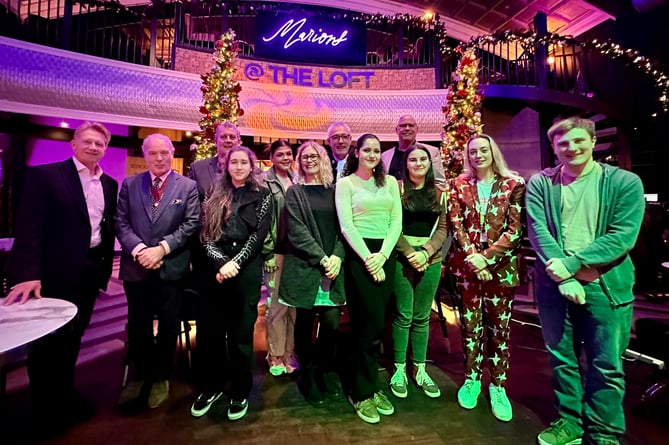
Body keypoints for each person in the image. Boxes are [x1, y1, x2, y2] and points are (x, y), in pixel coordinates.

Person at [527, 117, 644, 445]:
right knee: (562, 359)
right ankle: (570, 422)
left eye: (578, 141)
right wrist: (563, 276)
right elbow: (538, 231)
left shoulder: (624, 182)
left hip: (605, 285)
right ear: (554, 147)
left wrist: (574, 265)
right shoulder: (541, 183)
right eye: (563, 144)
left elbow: (622, 236)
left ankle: (604, 433)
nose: (571, 148)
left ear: (593, 142)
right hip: (555, 285)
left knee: (606, 364)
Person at [4, 121, 118, 432]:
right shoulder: (46, 176)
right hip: (54, 274)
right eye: (89, 142)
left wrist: (104, 269)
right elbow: (28, 228)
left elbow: (103, 228)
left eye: (100, 144)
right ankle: (44, 407)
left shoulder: (109, 184)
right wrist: (28, 274)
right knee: (45, 344)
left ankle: (63, 392)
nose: (94, 148)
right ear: (74, 143)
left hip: (90, 271)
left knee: (73, 336)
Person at [115, 133, 200, 410]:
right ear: (145, 155)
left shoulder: (187, 186)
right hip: (137, 267)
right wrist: (140, 250)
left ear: (172, 152)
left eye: (164, 152)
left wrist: (161, 249)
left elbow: (191, 224)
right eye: (153, 153)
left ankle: (162, 376)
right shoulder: (130, 184)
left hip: (170, 267)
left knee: (168, 324)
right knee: (138, 324)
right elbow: (121, 222)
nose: (159, 158)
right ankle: (139, 376)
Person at [190, 145, 272, 421]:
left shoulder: (263, 195)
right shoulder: (214, 194)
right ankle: (210, 387)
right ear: (226, 166)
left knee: (240, 339)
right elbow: (205, 235)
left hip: (245, 272)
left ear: (251, 166)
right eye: (233, 162)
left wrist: (234, 263)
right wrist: (220, 263)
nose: (238, 167)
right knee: (210, 337)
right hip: (214, 273)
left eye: (243, 162)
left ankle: (239, 392)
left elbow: (258, 236)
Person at [448, 134, 525, 422]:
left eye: (483, 150)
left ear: (493, 151)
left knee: (499, 331)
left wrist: (487, 258)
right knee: (470, 327)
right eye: (472, 151)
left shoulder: (513, 185)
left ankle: (498, 386)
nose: (478, 155)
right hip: (468, 269)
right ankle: (472, 380)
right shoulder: (458, 185)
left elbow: (515, 231)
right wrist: (474, 258)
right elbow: (457, 226)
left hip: (500, 271)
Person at [335, 133, 402, 424]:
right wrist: (369, 260)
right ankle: (360, 392)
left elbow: (396, 222)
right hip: (359, 255)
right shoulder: (345, 184)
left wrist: (383, 256)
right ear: (357, 153)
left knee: (378, 326)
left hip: (385, 255)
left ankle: (371, 387)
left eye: (377, 151)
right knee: (365, 325)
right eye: (367, 150)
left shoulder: (388, 183)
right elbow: (347, 225)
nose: (373, 155)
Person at [279, 141, 346, 407]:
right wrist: (322, 258)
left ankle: (324, 369)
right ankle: (308, 374)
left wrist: (337, 257)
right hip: (305, 268)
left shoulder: (336, 190)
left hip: (334, 267)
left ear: (323, 159)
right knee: (304, 326)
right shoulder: (294, 192)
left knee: (331, 325)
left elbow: (346, 228)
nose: (309, 160)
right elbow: (296, 231)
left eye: (314, 155)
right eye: (304, 156)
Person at [390, 145, 448, 400]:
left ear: (429, 162)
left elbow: (443, 228)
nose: (418, 162)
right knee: (403, 314)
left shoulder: (440, 193)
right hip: (402, 258)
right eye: (413, 159)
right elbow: (390, 225)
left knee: (421, 316)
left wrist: (426, 252)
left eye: (423, 158)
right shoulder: (397, 190)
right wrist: (410, 253)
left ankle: (420, 369)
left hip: (430, 259)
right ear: (406, 163)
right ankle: (399, 369)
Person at [262, 139, 298, 376]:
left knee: (293, 305)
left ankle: (289, 353)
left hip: (297, 252)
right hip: (276, 250)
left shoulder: (298, 178)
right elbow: (262, 221)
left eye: (288, 153)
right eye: (280, 154)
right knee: (276, 306)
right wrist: (266, 252)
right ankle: (274, 354)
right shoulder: (264, 181)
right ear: (272, 157)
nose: (285, 158)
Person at [381, 115, 446, 189]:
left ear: (417, 129)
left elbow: (440, 183)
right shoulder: (384, 156)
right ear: (396, 130)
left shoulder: (432, 152)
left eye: (411, 126)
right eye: (403, 126)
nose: (407, 128)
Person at [188, 121, 241, 201]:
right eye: (223, 137)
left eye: (232, 137)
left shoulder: (250, 170)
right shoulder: (198, 169)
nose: (228, 140)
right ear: (215, 142)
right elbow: (190, 203)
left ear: (238, 142)